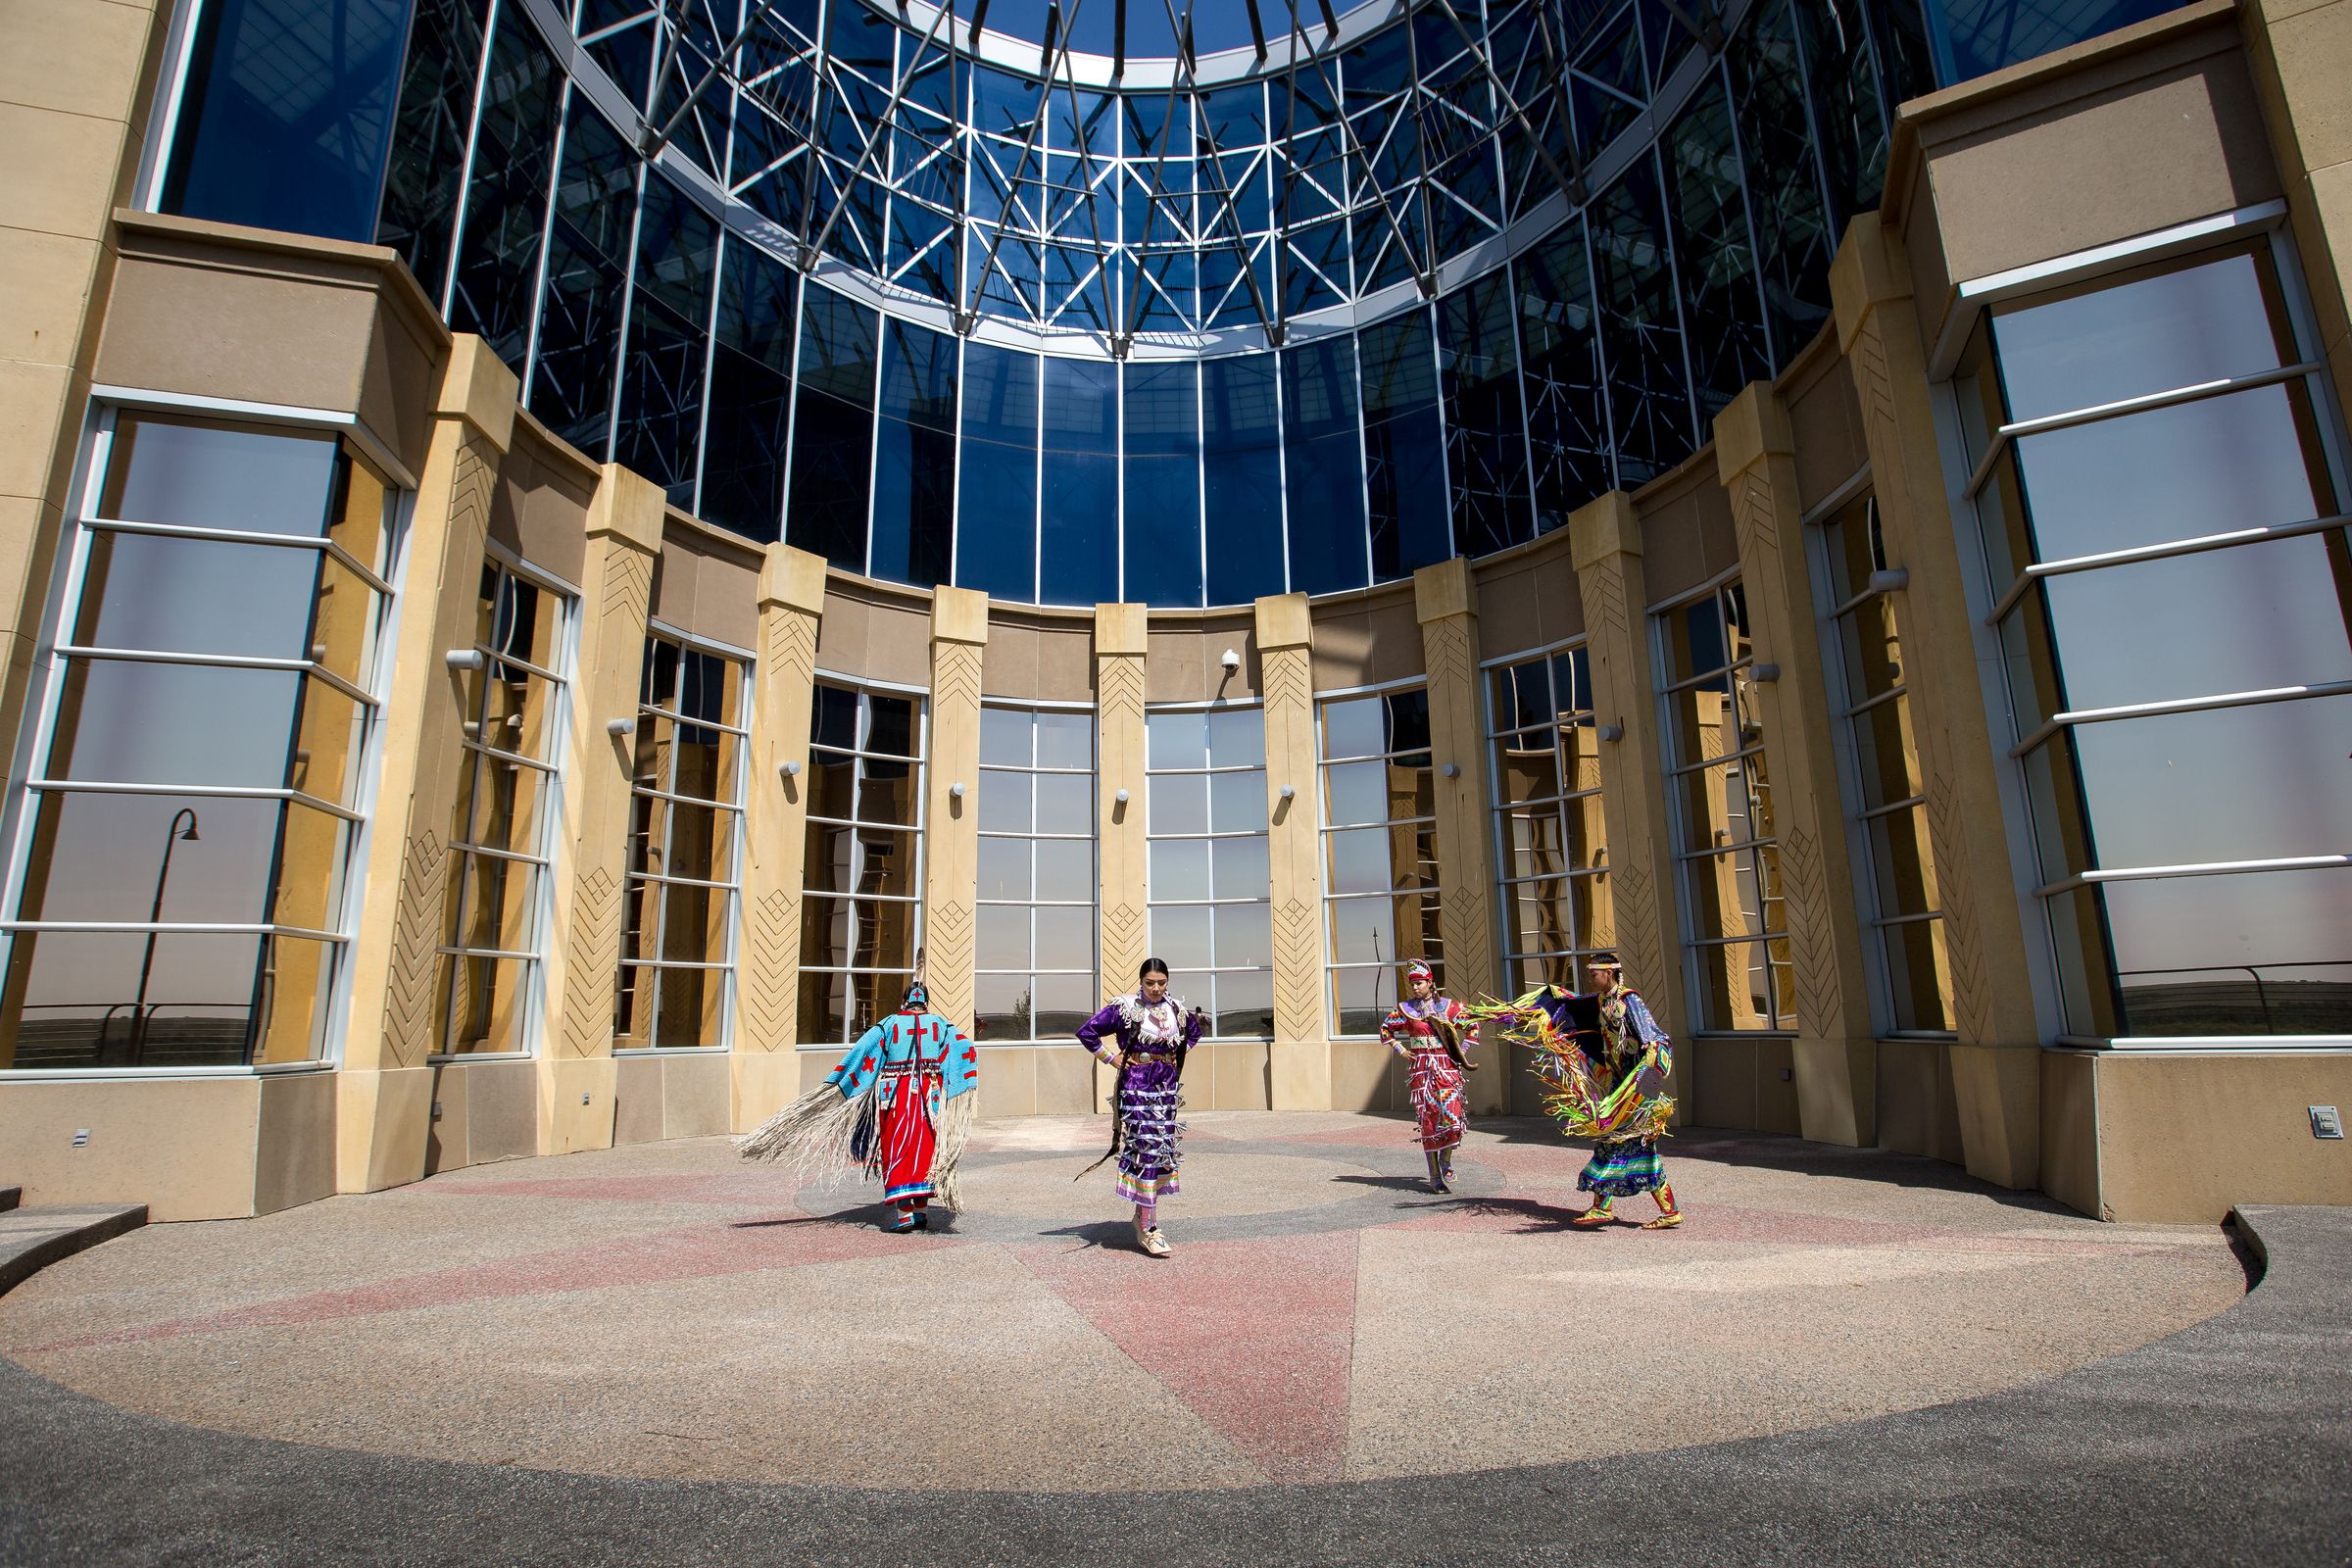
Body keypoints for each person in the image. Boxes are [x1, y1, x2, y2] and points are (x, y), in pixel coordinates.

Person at [738, 974, 979, 1232]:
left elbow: (861, 1054)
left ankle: (905, 1215)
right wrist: (948, 1082)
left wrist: (837, 1085)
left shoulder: (887, 1025)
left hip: (894, 1100)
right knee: (924, 1151)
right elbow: (966, 1050)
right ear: (926, 1002)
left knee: (897, 1150)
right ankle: (920, 1212)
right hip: (928, 1101)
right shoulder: (942, 1026)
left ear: (904, 1001)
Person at [1534, 952, 1680, 1230]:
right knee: (1619, 1143)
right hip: (1617, 1086)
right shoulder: (1602, 1001)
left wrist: (1649, 1050)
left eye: (1594, 973)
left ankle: (1609, 1208)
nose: (1591, 978)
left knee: (1622, 1142)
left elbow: (1656, 1037)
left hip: (1633, 1090)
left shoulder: (1629, 1001)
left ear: (1609, 972)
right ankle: (1656, 1209)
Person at [1075, 957, 1205, 1257]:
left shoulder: (1176, 1010)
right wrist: (1112, 1058)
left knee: (1161, 1150)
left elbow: (1194, 1034)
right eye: (1150, 983)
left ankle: (1143, 1216)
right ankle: (1148, 1226)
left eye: (1161, 983)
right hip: (1136, 1085)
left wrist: (1173, 1057)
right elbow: (1087, 1032)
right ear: (1141, 981)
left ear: (1168, 982)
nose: (1156, 988)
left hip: (1166, 1087)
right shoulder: (1126, 1008)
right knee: (1146, 1148)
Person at [1380, 959, 1479, 1192]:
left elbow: (1473, 1026)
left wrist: (1460, 1051)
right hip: (1422, 1072)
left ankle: (1446, 1160)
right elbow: (1386, 1029)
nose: (1415, 987)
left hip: (1446, 1069)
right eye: (1412, 983)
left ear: (1430, 982)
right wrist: (1401, 1050)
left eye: (1420, 983)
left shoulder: (1449, 1007)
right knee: (1429, 1121)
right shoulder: (1406, 1009)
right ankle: (1434, 1176)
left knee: (1453, 1117)